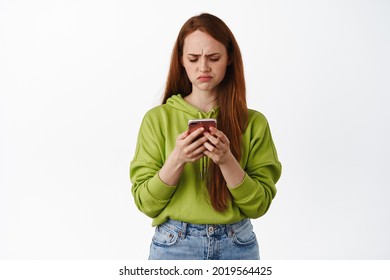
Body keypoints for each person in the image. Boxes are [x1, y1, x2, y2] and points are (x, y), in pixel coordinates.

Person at [130, 13, 282, 260]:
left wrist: (226, 160)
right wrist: (177, 159)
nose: (203, 67)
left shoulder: (254, 123)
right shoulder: (157, 119)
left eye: (213, 58)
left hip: (237, 244)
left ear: (230, 58)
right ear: (181, 60)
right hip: (174, 244)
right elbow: (147, 204)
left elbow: (259, 205)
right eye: (193, 58)